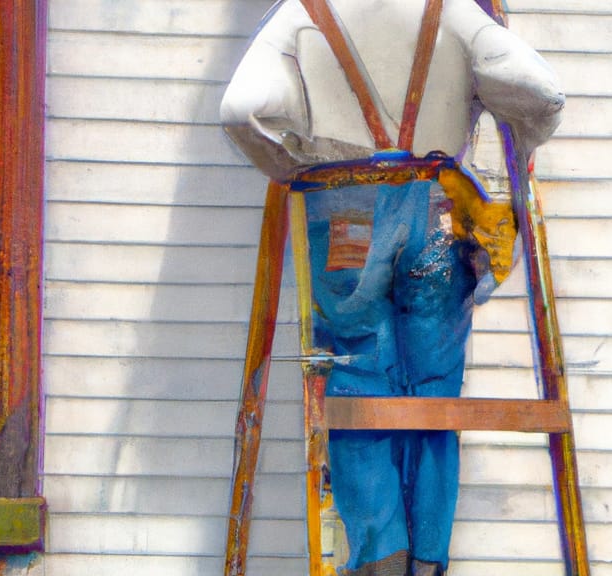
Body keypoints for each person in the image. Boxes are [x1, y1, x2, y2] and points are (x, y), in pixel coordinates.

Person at [221, 1, 562, 574]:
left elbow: (238, 111)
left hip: (345, 216)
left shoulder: (303, 14)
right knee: (434, 389)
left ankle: (381, 557)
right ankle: (428, 560)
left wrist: (292, 170)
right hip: (435, 214)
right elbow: (541, 94)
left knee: (355, 378)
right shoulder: (450, 10)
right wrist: (519, 148)